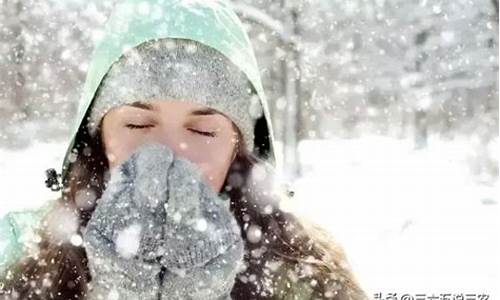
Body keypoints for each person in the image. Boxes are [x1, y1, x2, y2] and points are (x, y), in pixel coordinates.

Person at [0, 0, 368, 299]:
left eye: (203, 130)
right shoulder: (18, 250)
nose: (169, 150)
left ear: (238, 150)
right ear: (98, 139)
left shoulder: (305, 267)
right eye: (138, 124)